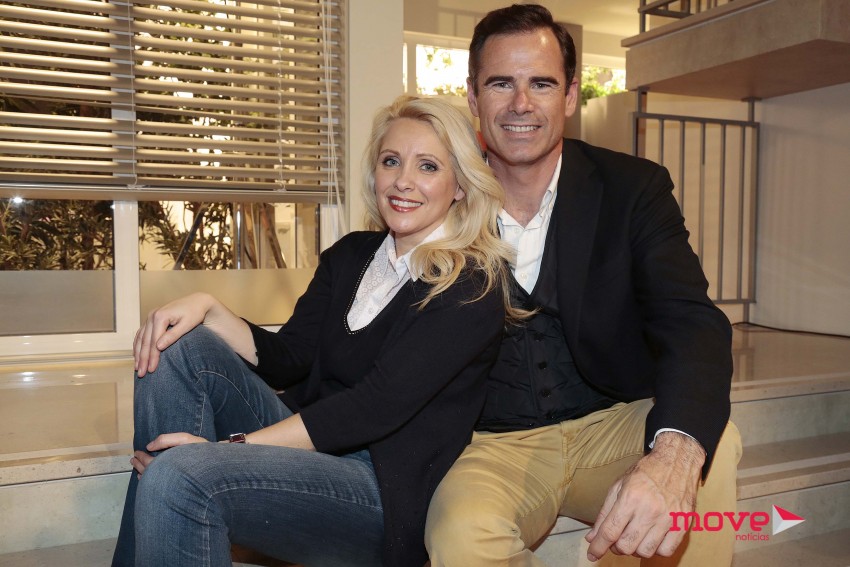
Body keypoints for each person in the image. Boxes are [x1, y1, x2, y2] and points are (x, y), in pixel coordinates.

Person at [111, 95, 522, 567]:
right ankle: (170, 509)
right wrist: (210, 308)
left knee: (181, 473)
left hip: (379, 493)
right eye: (391, 161)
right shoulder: (352, 255)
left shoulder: (471, 285)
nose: (403, 181)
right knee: (179, 345)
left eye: (427, 166)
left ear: (460, 186)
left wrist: (228, 451)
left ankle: (177, 486)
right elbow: (291, 357)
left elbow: (372, 408)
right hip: (306, 448)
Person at [424, 4, 742, 566]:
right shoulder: (434, 194)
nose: (521, 104)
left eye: (541, 84)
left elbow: (691, 321)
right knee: (459, 534)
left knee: (711, 447)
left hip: (611, 423)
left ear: (570, 96)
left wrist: (674, 452)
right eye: (501, 83)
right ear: (473, 97)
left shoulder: (633, 188)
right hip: (492, 443)